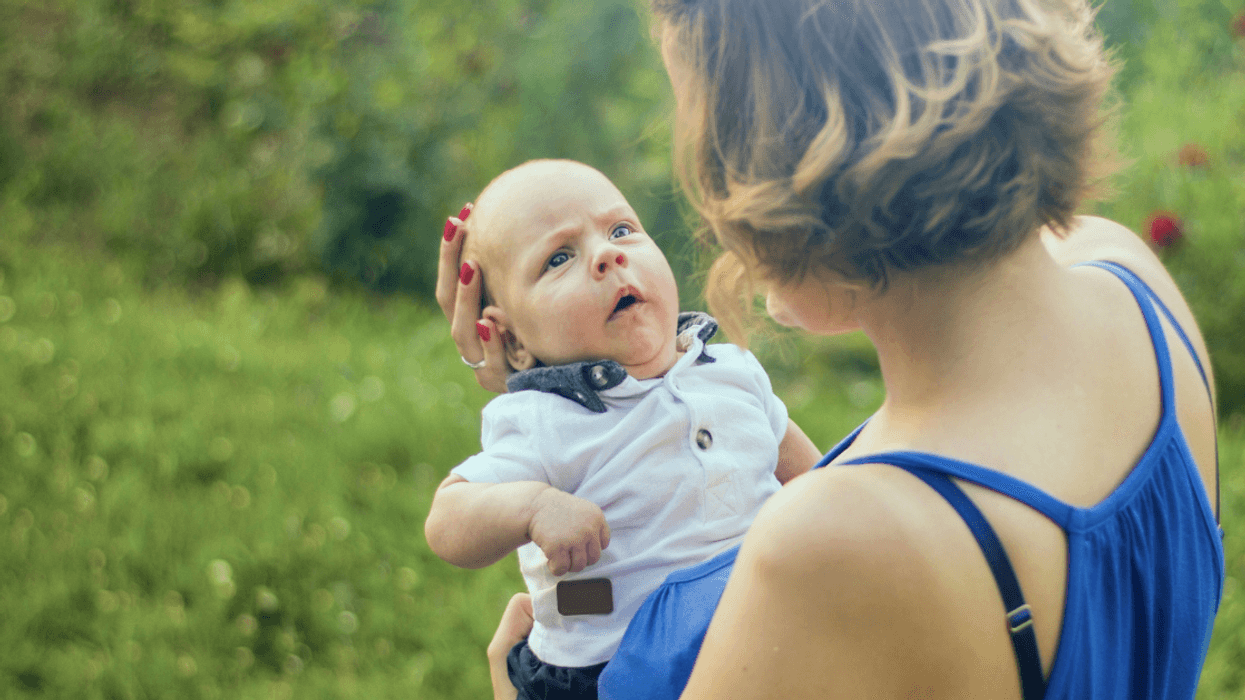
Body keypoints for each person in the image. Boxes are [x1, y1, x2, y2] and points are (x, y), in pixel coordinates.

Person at [437, 0, 1225, 697]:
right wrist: (557, 385)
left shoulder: (827, 552)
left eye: (708, 137)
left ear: (792, 161)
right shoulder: (1130, 279)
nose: (712, 196)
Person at [424, 158, 821, 700]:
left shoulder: (731, 372)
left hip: (757, 630)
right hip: (605, 670)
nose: (608, 255)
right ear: (513, 342)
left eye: (621, 230)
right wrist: (535, 507)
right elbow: (447, 520)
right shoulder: (548, 417)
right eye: (559, 258)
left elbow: (818, 482)